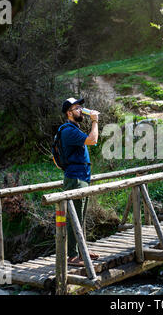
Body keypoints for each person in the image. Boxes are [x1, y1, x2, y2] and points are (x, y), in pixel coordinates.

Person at [60, 96, 100, 266]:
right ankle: (72, 256)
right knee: (73, 217)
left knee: (80, 217)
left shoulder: (74, 128)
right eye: (77, 108)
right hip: (75, 178)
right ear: (69, 113)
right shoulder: (68, 130)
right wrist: (95, 121)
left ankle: (81, 250)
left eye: (80, 108)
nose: (80, 110)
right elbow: (93, 140)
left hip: (82, 177)